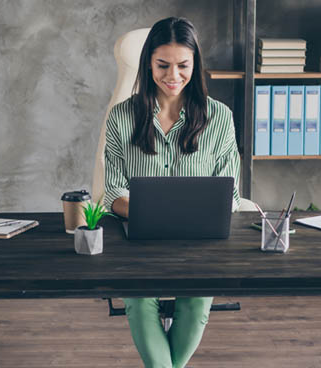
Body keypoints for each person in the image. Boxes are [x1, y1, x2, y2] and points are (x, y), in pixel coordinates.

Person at [98, 17, 239, 368]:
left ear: (196, 65)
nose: (172, 75)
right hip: (140, 243)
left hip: (200, 247)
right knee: (139, 300)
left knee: (196, 301)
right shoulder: (121, 118)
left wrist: (178, 216)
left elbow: (230, 196)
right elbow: (111, 192)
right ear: (149, 63)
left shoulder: (219, 118)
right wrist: (151, 216)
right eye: (163, 65)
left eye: (182, 65)